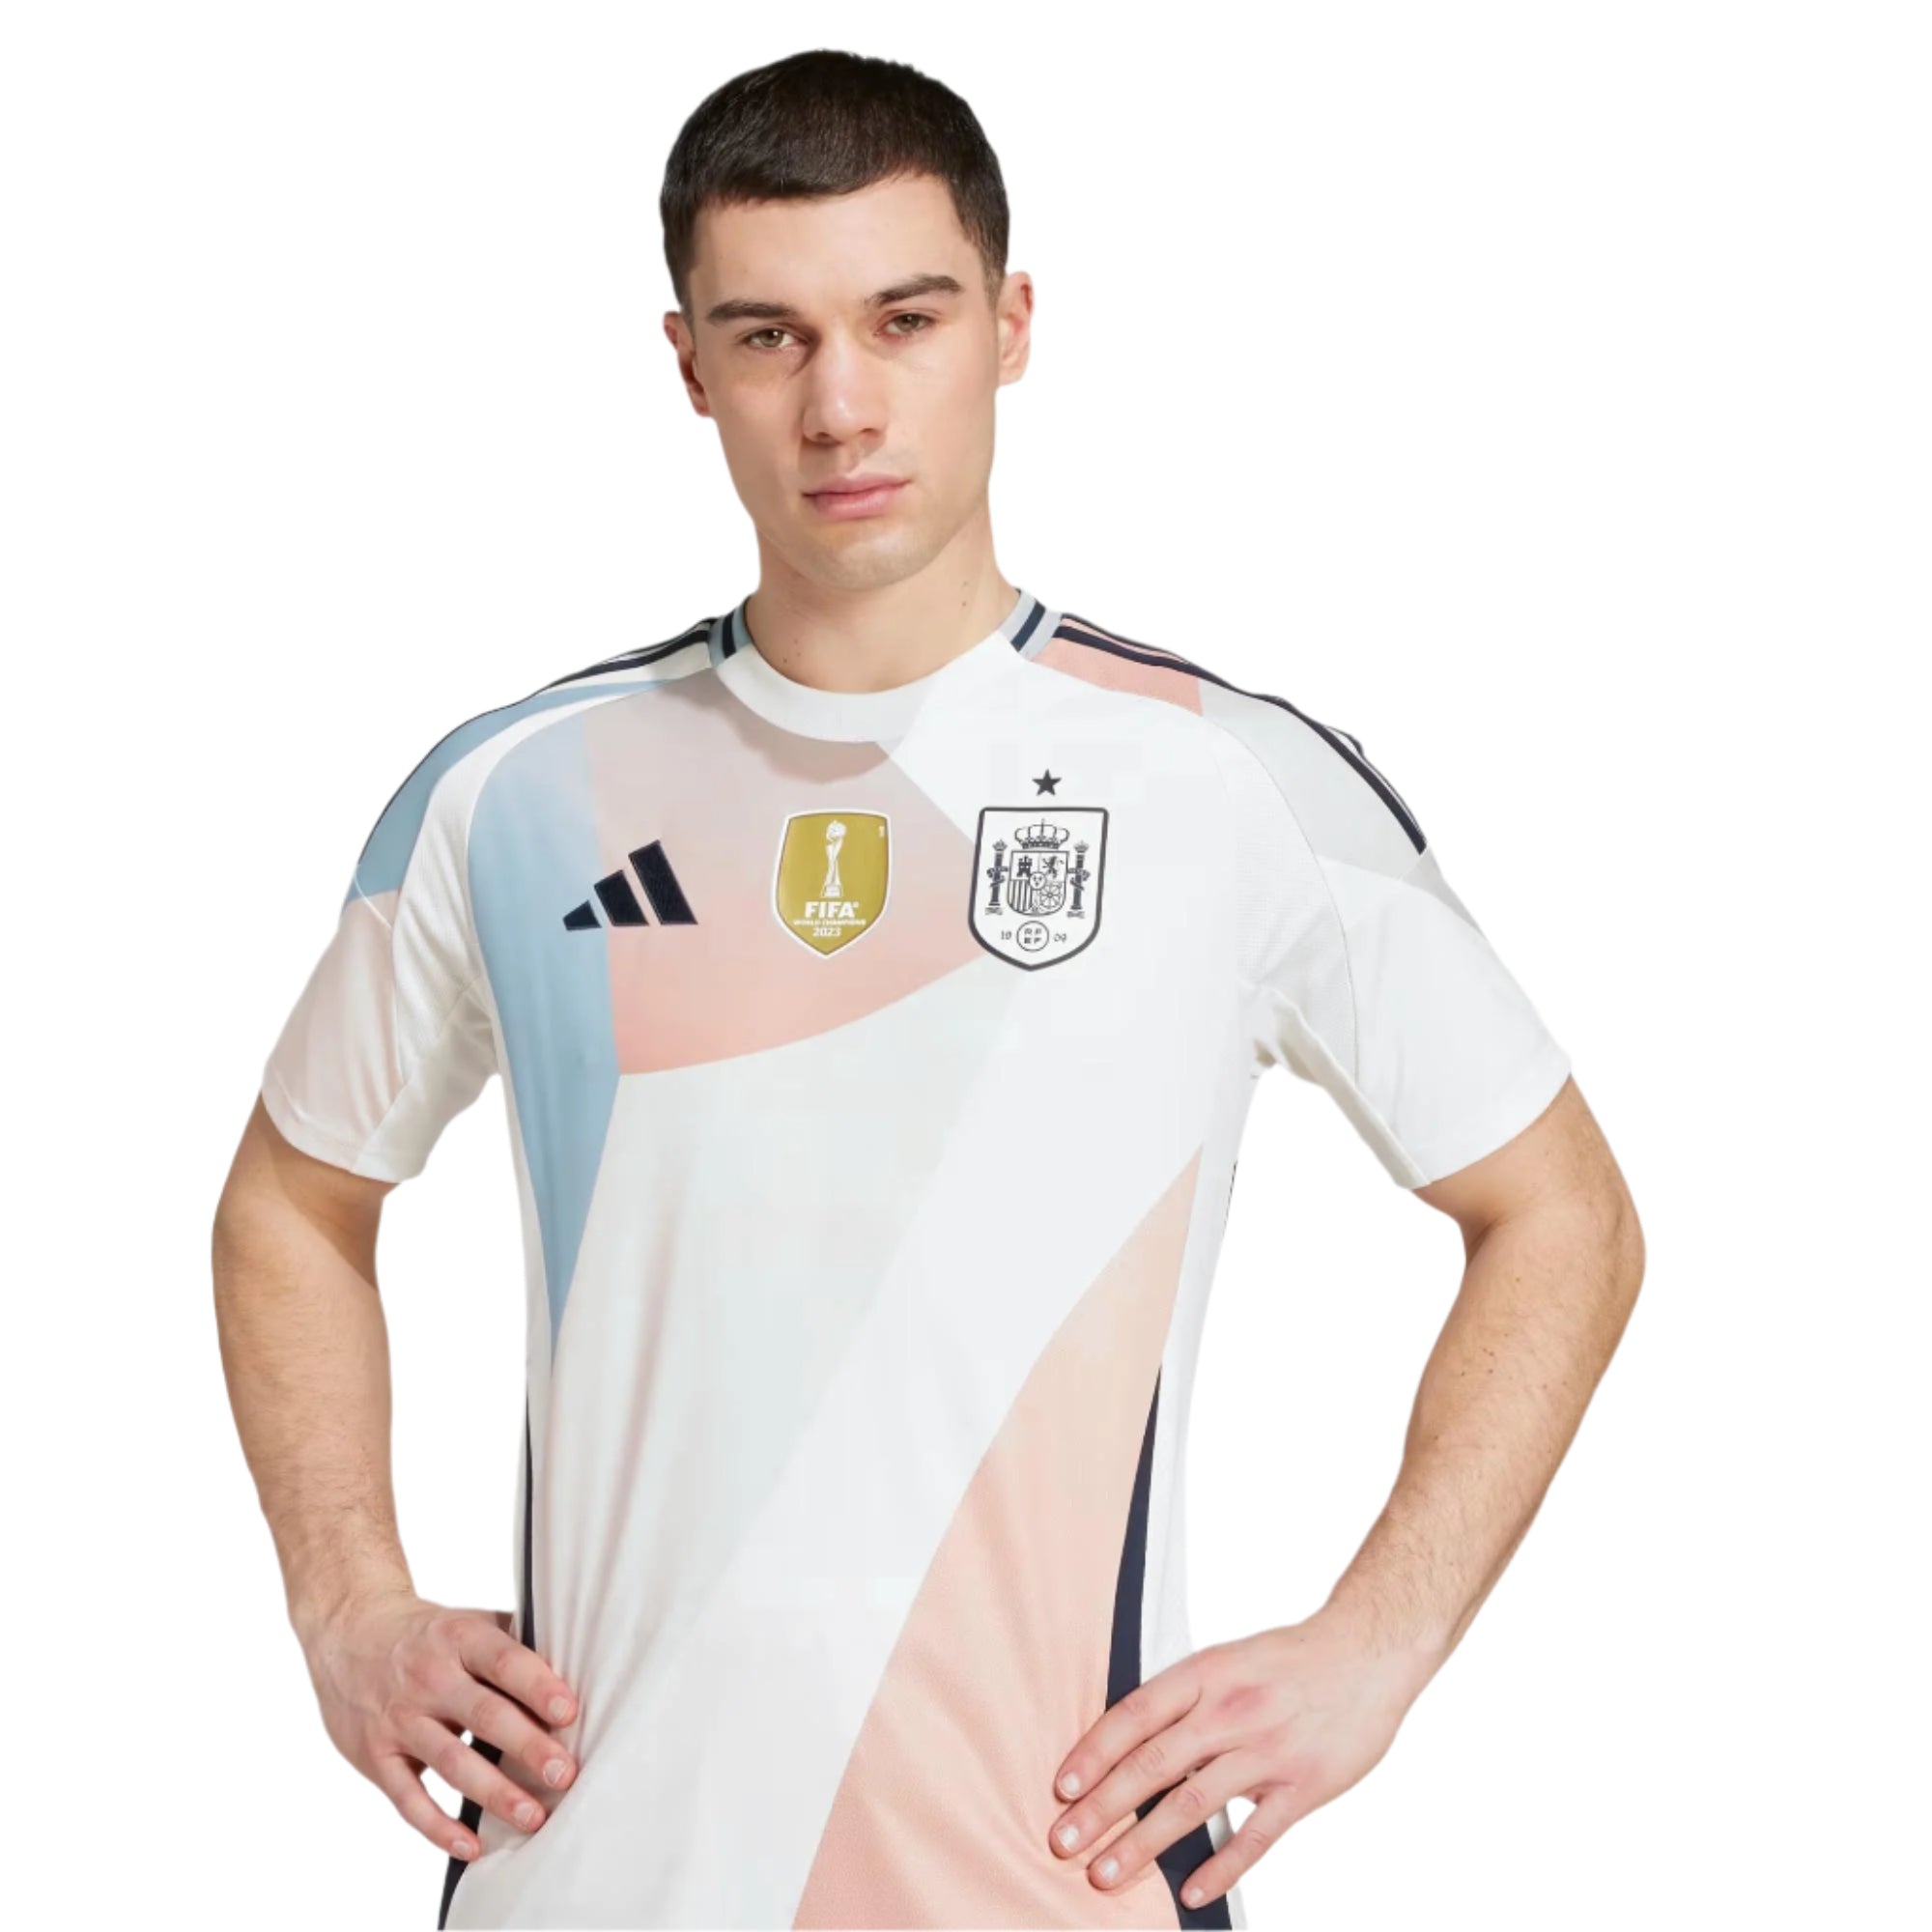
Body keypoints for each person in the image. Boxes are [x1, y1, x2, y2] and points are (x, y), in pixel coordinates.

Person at [211, 46, 1644, 1932]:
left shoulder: (1225, 782)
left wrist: (1377, 1648)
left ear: (1011, 323)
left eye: (905, 319)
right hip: (592, 1881)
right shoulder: (513, 793)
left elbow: (1562, 1212)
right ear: (687, 365)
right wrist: (347, 1607)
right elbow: (292, 1200)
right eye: (770, 337)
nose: (842, 404)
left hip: (1056, 1887)